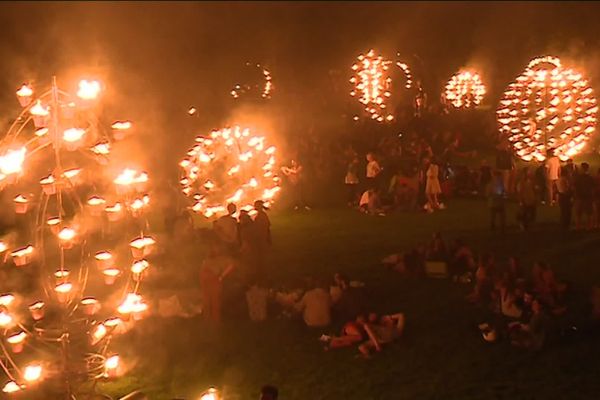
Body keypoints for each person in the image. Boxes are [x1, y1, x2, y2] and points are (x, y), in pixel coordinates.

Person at [199, 240, 235, 325]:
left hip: (214, 280)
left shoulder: (223, 259)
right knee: (206, 301)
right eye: (214, 248)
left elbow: (232, 265)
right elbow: (202, 269)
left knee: (215, 302)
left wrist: (222, 276)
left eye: (217, 248)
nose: (215, 249)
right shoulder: (208, 258)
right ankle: (207, 321)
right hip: (206, 280)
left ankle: (215, 322)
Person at [253, 200, 271, 281]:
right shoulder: (261, 215)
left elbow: (264, 227)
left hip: (261, 238)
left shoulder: (262, 216)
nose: (254, 207)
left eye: (255, 205)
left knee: (262, 256)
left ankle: (263, 273)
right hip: (262, 238)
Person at [574, 162, 594, 230]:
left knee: (579, 213)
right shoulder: (590, 177)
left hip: (581, 197)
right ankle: (589, 226)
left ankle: (578, 227)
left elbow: (575, 186)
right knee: (588, 213)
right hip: (587, 197)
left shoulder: (579, 178)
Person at [556, 166, 573, 232]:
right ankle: (566, 225)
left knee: (563, 211)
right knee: (567, 211)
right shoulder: (565, 179)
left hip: (561, 196)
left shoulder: (558, 179)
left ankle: (563, 225)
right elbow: (568, 188)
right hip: (565, 196)